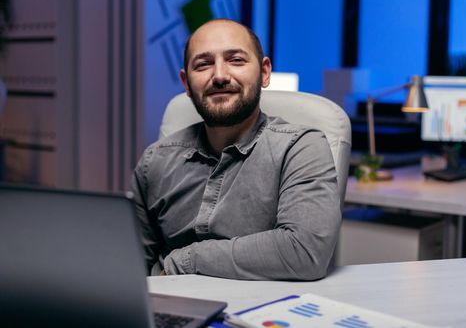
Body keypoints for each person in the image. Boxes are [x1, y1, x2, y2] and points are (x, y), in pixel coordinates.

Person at [131, 19, 341, 280]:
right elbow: (128, 263)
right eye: (203, 64)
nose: (219, 75)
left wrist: (186, 260)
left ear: (264, 73)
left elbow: (305, 252)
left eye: (236, 60)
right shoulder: (155, 161)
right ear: (186, 82)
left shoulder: (300, 147)